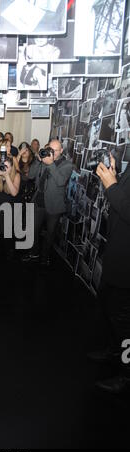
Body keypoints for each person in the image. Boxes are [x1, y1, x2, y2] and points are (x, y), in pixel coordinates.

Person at [88, 155, 130, 394]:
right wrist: (112, 179)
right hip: (117, 250)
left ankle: (126, 375)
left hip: (127, 260)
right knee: (108, 307)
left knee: (125, 322)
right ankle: (113, 351)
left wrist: (111, 185)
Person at [22, 139, 73, 265]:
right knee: (33, 230)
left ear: (61, 150)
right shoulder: (44, 160)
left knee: (50, 234)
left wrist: (50, 164)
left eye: (55, 150)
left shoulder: (67, 164)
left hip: (54, 205)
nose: (53, 152)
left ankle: (44, 257)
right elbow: (31, 175)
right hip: (39, 201)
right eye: (51, 149)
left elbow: (60, 181)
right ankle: (34, 253)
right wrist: (38, 161)